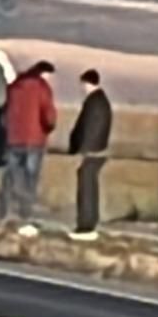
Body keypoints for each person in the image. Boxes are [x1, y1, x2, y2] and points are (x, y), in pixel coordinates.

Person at [0, 60, 57, 234]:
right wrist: (48, 128)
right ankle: (25, 217)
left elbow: (5, 114)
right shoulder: (42, 88)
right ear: (43, 74)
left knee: (10, 177)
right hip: (33, 141)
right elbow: (49, 116)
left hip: (13, 139)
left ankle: (4, 213)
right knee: (29, 180)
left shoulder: (14, 87)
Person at [66, 68, 112, 241]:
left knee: (87, 188)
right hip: (96, 151)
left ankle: (86, 226)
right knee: (88, 185)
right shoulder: (100, 101)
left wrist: (84, 150)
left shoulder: (95, 102)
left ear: (87, 83)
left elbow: (90, 128)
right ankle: (87, 223)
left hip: (93, 152)